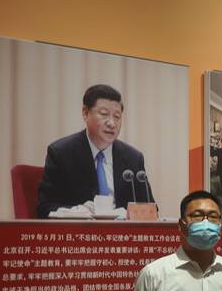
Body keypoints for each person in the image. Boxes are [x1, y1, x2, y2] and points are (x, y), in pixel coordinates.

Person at [37, 84, 152, 218]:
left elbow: (150, 209)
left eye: (117, 116)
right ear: (85, 113)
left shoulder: (133, 158)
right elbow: (45, 207)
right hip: (81, 229)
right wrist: (75, 211)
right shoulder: (61, 153)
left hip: (122, 230)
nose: (112, 123)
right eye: (104, 114)